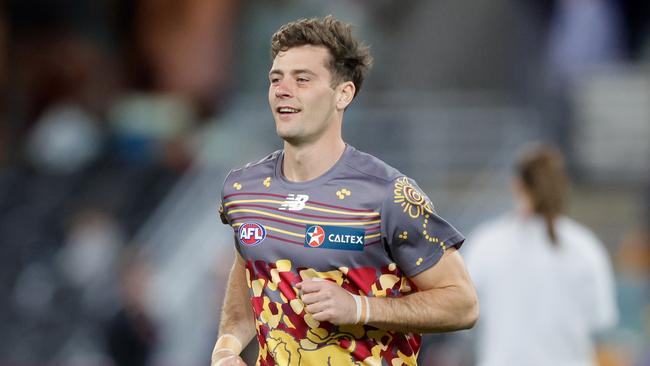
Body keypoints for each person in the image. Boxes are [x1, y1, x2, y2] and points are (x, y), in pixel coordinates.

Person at [211, 16, 478, 366]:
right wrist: (226, 348)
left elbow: (463, 303)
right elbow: (249, 277)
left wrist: (359, 306)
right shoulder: (243, 190)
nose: (282, 89)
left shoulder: (389, 195)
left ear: (343, 93)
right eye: (276, 79)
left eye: (302, 79)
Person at [465, 144, 618, 366]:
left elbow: (466, 316)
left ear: (516, 185)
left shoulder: (486, 244)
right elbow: (600, 320)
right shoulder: (585, 247)